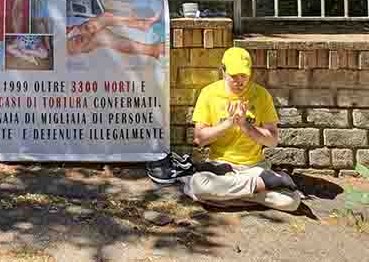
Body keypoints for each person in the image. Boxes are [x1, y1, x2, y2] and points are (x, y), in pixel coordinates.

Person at [179, 47, 301, 212]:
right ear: (223, 71)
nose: (239, 81)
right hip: (221, 168)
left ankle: (225, 197)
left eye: (243, 76)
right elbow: (200, 139)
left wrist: (245, 125)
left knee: (291, 201)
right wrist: (229, 122)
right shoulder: (209, 94)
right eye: (233, 76)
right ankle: (258, 188)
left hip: (254, 168)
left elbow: (272, 140)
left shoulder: (261, 95)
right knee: (200, 185)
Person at [67, 12, 165, 59]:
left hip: (68, 33)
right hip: (63, 46)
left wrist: (74, 29)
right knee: (100, 35)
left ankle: (143, 25)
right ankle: (152, 49)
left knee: (101, 22)